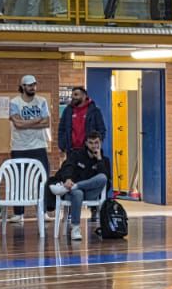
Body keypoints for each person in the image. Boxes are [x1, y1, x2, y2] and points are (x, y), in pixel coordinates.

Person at [8, 74, 53, 224]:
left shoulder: (42, 101)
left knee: (43, 179)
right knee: (19, 180)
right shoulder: (15, 102)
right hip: (19, 147)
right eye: (29, 85)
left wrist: (26, 122)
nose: (32, 87)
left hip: (39, 146)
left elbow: (46, 123)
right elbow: (17, 125)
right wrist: (36, 120)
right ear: (22, 87)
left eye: (34, 85)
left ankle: (43, 211)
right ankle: (18, 213)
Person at [50, 132, 109, 241]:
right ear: (86, 143)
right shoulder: (77, 155)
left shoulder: (104, 160)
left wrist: (99, 159)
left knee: (102, 177)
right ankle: (76, 228)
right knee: (78, 193)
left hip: (90, 193)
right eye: (91, 143)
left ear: (100, 143)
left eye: (96, 143)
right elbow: (67, 167)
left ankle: (76, 186)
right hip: (73, 194)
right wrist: (68, 178)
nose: (94, 146)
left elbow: (106, 180)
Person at [58, 86, 107, 156]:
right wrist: (62, 146)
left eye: (76, 95)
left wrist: (95, 146)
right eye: (72, 95)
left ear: (84, 96)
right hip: (71, 151)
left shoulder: (95, 111)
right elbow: (61, 129)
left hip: (89, 152)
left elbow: (101, 129)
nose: (73, 97)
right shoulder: (68, 110)